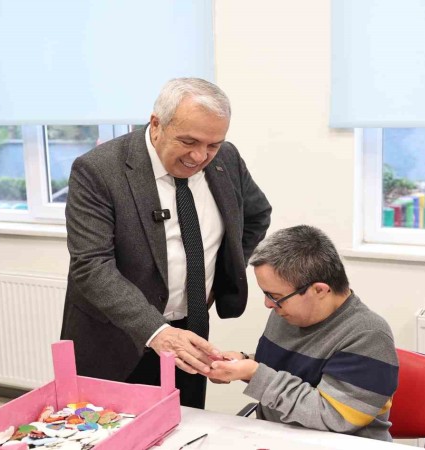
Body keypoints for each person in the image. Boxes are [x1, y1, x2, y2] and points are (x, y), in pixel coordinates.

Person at [60, 78, 272, 409]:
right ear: (157, 124)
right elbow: (91, 265)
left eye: (213, 145)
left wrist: (221, 274)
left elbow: (257, 215)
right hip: (116, 337)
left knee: (184, 423)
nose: (199, 156)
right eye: (188, 141)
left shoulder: (226, 159)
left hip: (191, 331)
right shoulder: (99, 170)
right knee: (112, 428)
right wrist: (157, 331)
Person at [207, 225, 398, 441]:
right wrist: (241, 364)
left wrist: (254, 373)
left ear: (319, 290)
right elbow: (286, 370)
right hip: (278, 437)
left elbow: (332, 417)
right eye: (266, 294)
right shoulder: (287, 312)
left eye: (275, 296)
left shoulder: (369, 335)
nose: (268, 304)